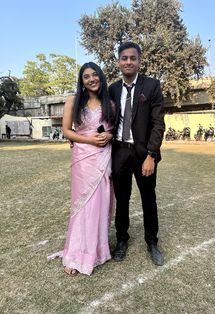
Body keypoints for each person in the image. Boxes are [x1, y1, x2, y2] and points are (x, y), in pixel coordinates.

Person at [48, 62, 114, 276]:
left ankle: (96, 251)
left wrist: (108, 136)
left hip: (104, 157)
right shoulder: (73, 101)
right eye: (86, 77)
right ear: (82, 81)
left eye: (95, 75)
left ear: (101, 77)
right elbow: (67, 131)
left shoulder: (110, 103)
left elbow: (113, 130)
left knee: (101, 203)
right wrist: (90, 140)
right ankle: (76, 254)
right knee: (83, 204)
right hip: (83, 158)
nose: (91, 79)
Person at [109, 42, 165, 266]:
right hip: (120, 152)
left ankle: (152, 242)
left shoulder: (151, 85)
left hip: (144, 154)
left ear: (139, 61)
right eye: (124, 58)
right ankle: (121, 239)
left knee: (148, 199)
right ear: (119, 62)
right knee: (121, 200)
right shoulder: (112, 89)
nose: (128, 62)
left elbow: (158, 122)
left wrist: (151, 154)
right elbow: (104, 118)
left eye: (133, 58)